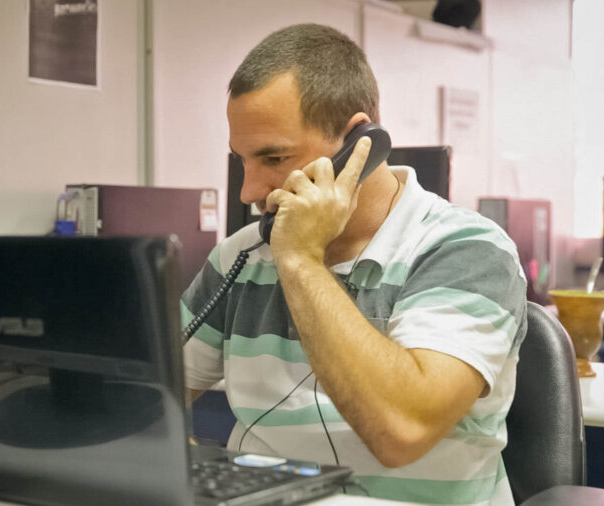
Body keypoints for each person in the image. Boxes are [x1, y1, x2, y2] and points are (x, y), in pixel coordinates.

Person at [181, 23, 527, 505]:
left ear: (359, 144)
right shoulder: (240, 257)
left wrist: (301, 261)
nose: (249, 191)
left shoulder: (468, 250)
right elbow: (139, 396)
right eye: (242, 160)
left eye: (274, 158)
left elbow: (400, 430)